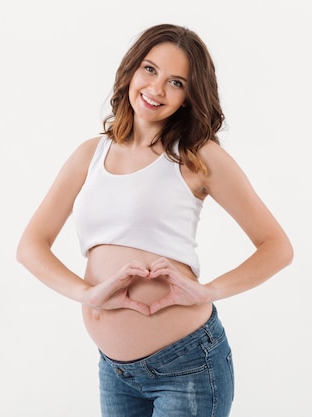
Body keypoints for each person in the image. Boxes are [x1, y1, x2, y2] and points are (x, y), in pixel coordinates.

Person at [16, 23, 293, 417]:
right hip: (115, 371)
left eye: (176, 82)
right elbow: (30, 245)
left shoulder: (198, 156)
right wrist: (86, 293)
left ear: (189, 96)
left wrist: (208, 290)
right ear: (131, 70)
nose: (157, 89)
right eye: (149, 69)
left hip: (187, 368)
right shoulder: (90, 154)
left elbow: (277, 247)